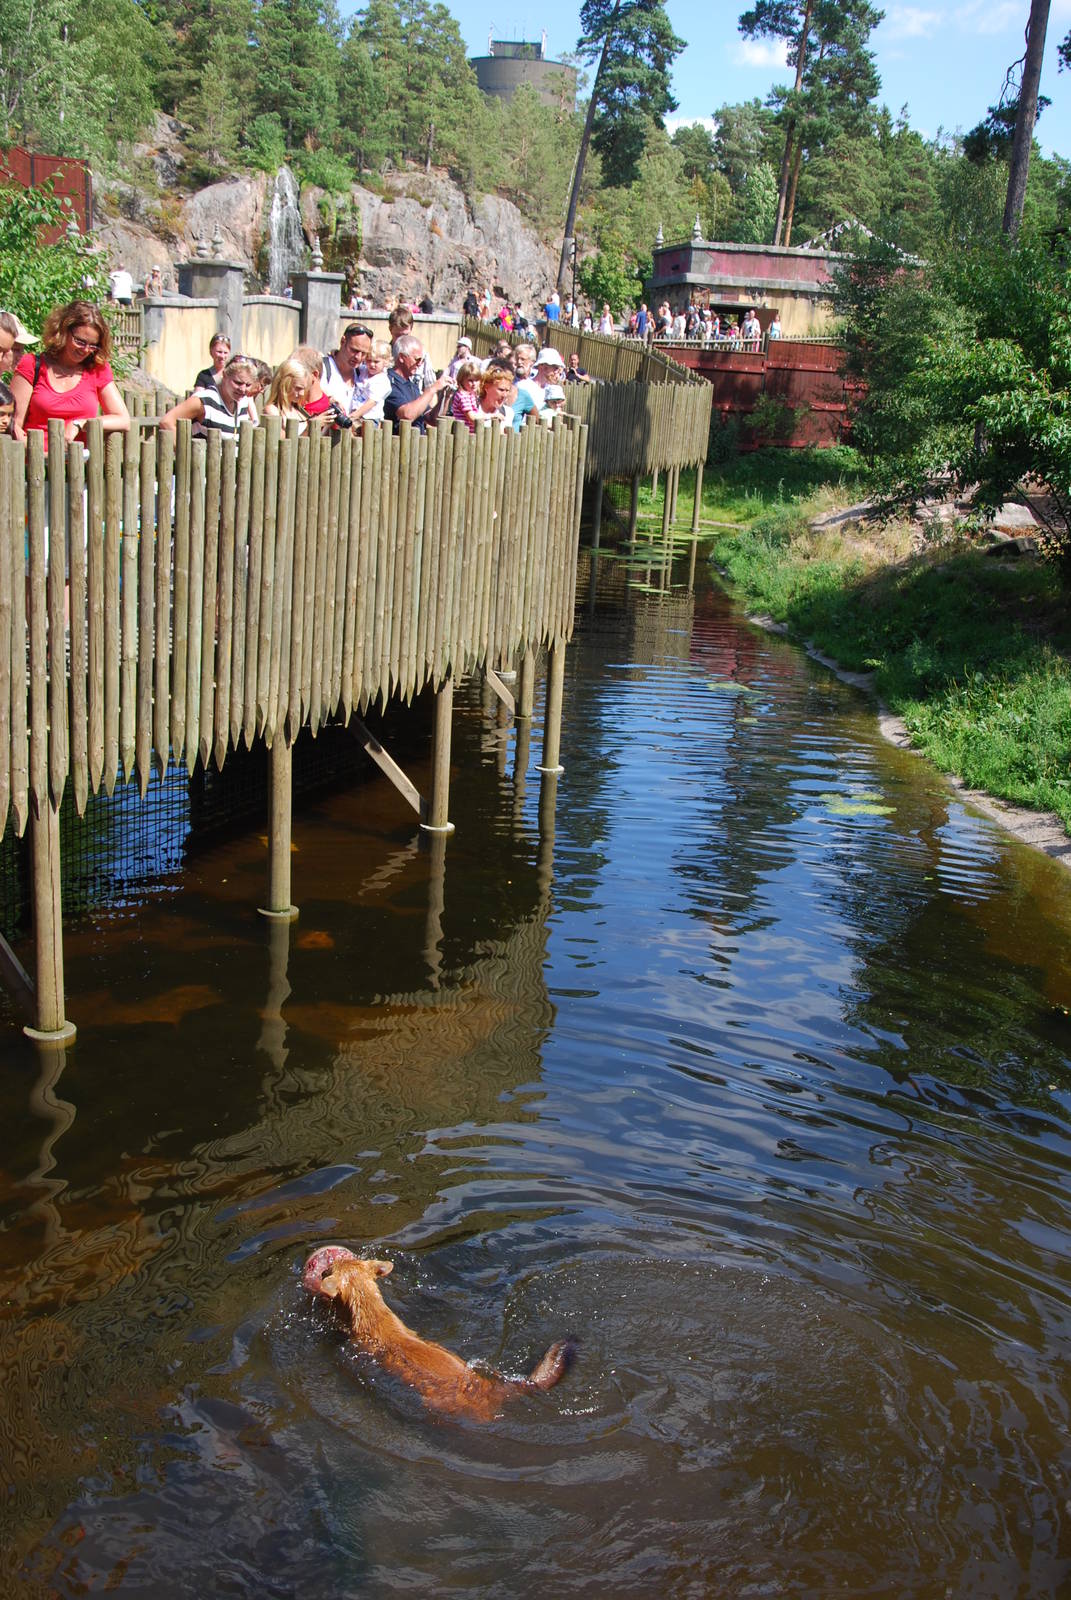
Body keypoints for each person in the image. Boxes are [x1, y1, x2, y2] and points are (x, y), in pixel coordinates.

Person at [11, 299, 129, 448]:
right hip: (35, 457)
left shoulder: (98, 370)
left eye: (93, 345)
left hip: (79, 460)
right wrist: (36, 451)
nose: (86, 350)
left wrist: (81, 423)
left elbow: (123, 420)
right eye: (80, 341)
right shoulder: (32, 365)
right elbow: (14, 424)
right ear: (63, 331)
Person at [159, 352, 258, 438]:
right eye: (238, 383)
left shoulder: (243, 401)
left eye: (248, 385)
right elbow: (167, 422)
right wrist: (185, 452)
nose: (243, 389)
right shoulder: (204, 400)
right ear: (224, 376)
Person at [383, 335, 449, 433]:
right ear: (401, 357)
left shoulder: (412, 385)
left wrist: (445, 397)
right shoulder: (388, 381)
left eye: (422, 360)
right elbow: (407, 415)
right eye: (417, 359)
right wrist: (432, 389)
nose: (420, 364)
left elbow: (432, 419)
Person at [322, 322, 373, 414]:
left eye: (364, 353)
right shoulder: (323, 368)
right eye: (354, 350)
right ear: (343, 341)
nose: (358, 357)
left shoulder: (364, 373)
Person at [388, 305, 436, 390]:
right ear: (390, 329)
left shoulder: (422, 355)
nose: (401, 340)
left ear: (411, 329)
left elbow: (431, 387)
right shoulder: (383, 355)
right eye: (398, 336)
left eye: (405, 335)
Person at [261, 356, 310, 430]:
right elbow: (282, 436)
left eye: (303, 389)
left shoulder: (300, 411)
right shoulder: (272, 410)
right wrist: (310, 427)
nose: (302, 393)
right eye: (298, 388)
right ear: (284, 385)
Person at [351, 340, 392, 424]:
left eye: (376, 361)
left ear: (386, 361)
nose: (372, 364)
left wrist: (354, 416)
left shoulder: (382, 381)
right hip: (357, 414)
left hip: (370, 418)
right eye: (369, 360)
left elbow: (371, 402)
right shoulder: (363, 370)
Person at [474, 365, 514, 430]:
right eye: (501, 390)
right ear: (486, 387)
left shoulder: (508, 412)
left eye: (507, 390)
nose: (504, 395)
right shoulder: (472, 407)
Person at [449, 360, 482, 432]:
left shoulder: (470, 394)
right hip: (463, 433)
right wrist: (490, 416)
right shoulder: (463, 396)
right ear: (461, 380)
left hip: (470, 432)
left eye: (477, 380)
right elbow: (472, 418)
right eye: (470, 380)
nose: (474, 384)